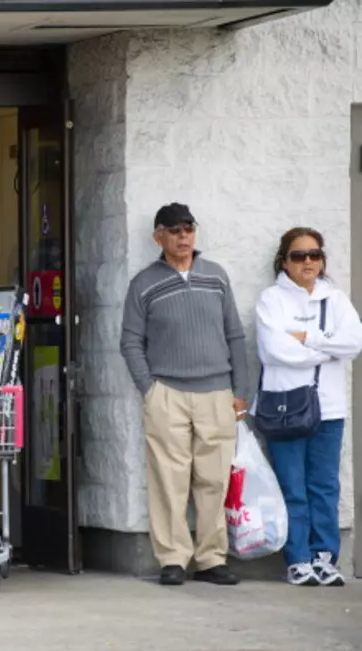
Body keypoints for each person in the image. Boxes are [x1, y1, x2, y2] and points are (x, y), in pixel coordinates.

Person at [119, 202, 249, 587]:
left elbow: (235, 336)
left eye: (188, 228)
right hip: (167, 393)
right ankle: (172, 559)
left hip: (216, 392)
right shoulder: (144, 283)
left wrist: (240, 390)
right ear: (158, 235)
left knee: (213, 480)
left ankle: (211, 559)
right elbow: (130, 342)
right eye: (174, 230)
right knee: (168, 481)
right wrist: (149, 388)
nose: (183, 236)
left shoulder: (217, 276)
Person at [253, 227, 362, 587]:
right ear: (284, 260)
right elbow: (275, 350)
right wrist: (329, 348)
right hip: (285, 405)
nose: (308, 262)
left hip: (329, 409)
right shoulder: (272, 299)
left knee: (324, 486)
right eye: (299, 255)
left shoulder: (337, 300)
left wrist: (308, 338)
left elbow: (355, 343)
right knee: (292, 486)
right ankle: (298, 558)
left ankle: (324, 557)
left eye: (314, 254)